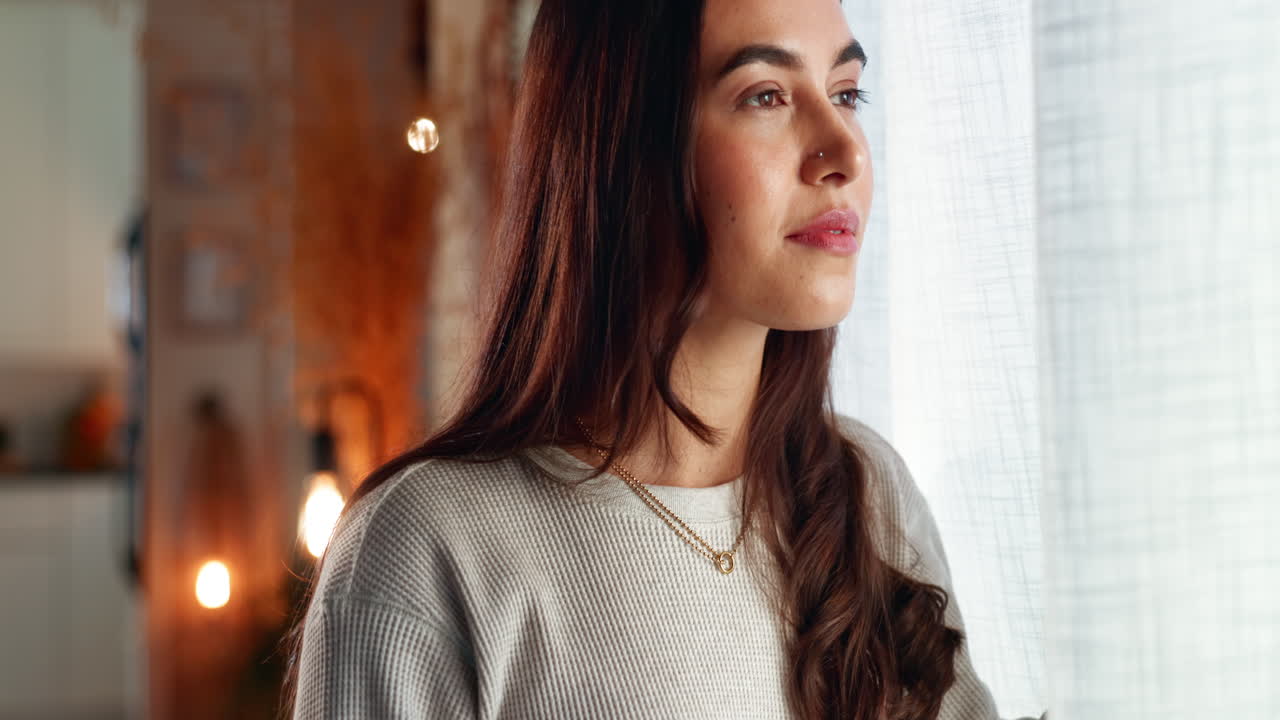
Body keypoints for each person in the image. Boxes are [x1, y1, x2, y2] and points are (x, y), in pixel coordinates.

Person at [283, 0, 1048, 718]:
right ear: (621, 145)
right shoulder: (425, 553)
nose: (844, 150)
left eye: (847, 93)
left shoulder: (867, 489)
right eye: (766, 96)